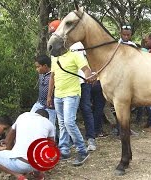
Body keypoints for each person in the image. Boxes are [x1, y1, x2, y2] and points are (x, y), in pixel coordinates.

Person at [47, 20, 94, 166]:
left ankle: (82, 150)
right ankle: (64, 150)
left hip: (72, 93)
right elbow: (52, 76)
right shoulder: (54, 57)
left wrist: (89, 76)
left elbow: (86, 69)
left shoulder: (75, 55)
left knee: (68, 122)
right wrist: (50, 95)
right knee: (61, 124)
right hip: (58, 95)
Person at [0, 109, 54, 180]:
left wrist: (5, 148)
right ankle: (39, 174)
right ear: (45, 118)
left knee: (1, 159)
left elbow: (8, 142)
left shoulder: (23, 116)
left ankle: (19, 176)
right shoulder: (49, 124)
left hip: (21, 164)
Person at [30, 55, 57, 129]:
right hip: (39, 102)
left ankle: (52, 139)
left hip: (51, 106)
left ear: (45, 66)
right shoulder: (41, 74)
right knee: (29, 119)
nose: (37, 69)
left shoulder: (54, 75)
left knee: (50, 126)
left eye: (38, 67)